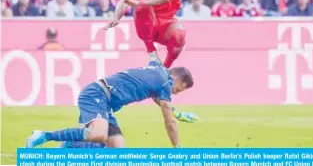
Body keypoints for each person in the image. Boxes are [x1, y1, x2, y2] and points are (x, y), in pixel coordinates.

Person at [26, 60, 197, 148]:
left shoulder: (158, 72)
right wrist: (178, 149)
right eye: (179, 89)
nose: (176, 93)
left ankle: (74, 145)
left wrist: (178, 114)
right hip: (97, 95)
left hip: (105, 103)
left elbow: (157, 98)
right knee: (99, 135)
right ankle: (45, 135)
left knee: (117, 150)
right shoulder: (164, 84)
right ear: (177, 79)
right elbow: (169, 124)